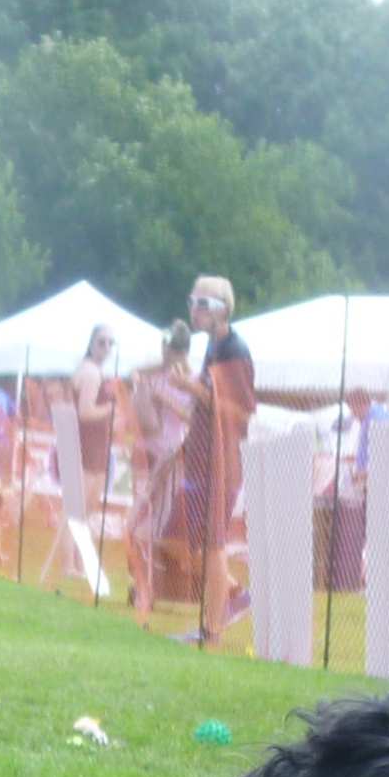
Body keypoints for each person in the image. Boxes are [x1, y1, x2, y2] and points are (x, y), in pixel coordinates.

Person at [179, 275, 256, 643]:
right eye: (191, 302)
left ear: (223, 309)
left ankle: (213, 629)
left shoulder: (233, 350)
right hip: (205, 454)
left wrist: (190, 387)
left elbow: (238, 409)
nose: (194, 310)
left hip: (222, 459)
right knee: (199, 542)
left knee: (214, 543)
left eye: (203, 304)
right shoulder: (213, 347)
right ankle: (233, 600)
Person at [125, 320, 194, 623]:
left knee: (151, 526)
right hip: (146, 452)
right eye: (166, 348)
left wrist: (166, 399)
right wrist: (154, 373)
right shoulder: (156, 374)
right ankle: (141, 583)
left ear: (183, 351)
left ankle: (148, 586)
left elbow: (193, 417)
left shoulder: (191, 381)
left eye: (173, 350)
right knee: (136, 523)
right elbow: (134, 375)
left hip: (169, 457)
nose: (168, 354)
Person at [71, 323, 115, 520]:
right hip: (87, 448)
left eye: (110, 343)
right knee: (78, 514)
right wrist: (110, 409)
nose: (106, 347)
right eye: (101, 342)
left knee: (81, 513)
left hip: (90, 446)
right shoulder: (91, 373)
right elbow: (85, 411)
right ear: (91, 344)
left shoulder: (89, 369)